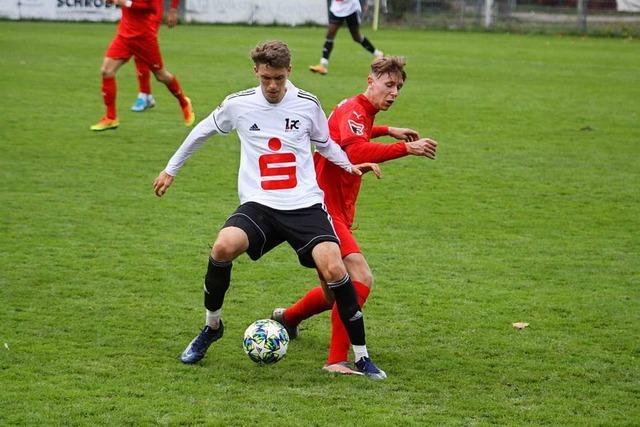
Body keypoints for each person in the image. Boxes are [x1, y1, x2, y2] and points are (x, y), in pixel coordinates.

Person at [153, 41, 387, 380]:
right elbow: (201, 131)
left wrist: (349, 165)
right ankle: (211, 327)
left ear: (289, 71)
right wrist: (171, 169)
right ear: (256, 73)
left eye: (278, 77)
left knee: (335, 269)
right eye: (266, 78)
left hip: (305, 204)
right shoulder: (239, 104)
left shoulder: (307, 104)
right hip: (260, 205)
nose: (272, 86)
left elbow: (325, 143)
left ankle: (362, 357)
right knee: (222, 247)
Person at [272, 56, 438, 375]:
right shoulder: (354, 110)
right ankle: (336, 360)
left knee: (334, 294)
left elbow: (354, 134)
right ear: (370, 81)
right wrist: (407, 150)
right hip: (323, 208)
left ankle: (288, 318)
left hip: (330, 206)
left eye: (399, 87)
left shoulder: (359, 111)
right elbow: (353, 151)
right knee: (359, 278)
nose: (394, 92)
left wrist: (389, 130)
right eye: (388, 85)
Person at [91, 0, 194, 131]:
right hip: (124, 35)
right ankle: (111, 117)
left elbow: (151, 8)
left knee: (161, 76)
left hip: (143, 37)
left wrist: (126, 3)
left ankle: (184, 102)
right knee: (106, 71)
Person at [130, 0, 180, 112]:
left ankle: (144, 94)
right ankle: (145, 95)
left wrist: (173, 9)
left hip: (152, 11)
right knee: (138, 49)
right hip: (138, 10)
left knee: (141, 48)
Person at [309, 0, 383, 75]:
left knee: (356, 37)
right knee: (330, 34)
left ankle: (378, 54)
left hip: (351, 8)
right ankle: (323, 65)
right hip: (336, 8)